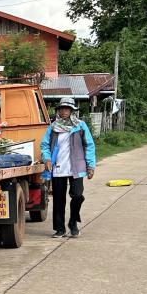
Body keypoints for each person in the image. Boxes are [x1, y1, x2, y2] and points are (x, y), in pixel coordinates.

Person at [40, 97, 96, 238]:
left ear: (71, 111)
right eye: (62, 108)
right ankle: (60, 229)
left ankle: (73, 223)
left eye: (67, 109)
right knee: (59, 199)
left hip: (77, 167)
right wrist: (46, 158)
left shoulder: (80, 126)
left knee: (77, 195)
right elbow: (44, 144)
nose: (64, 111)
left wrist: (91, 165)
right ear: (58, 111)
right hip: (58, 167)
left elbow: (89, 145)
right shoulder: (53, 127)